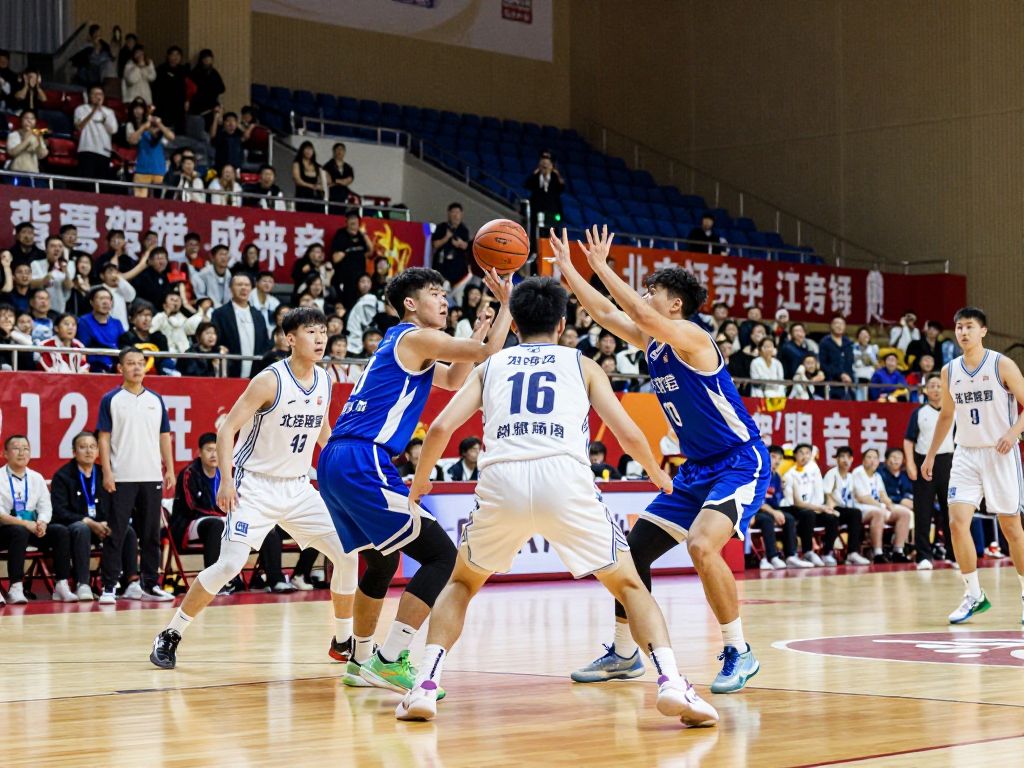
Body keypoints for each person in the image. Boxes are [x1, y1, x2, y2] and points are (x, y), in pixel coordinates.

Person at [395, 276, 716, 726]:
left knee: (461, 583)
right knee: (629, 586)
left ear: (516, 325)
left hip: (501, 479)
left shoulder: (492, 366)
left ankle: (426, 685)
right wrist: (659, 474)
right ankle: (671, 681)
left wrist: (421, 482)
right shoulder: (582, 364)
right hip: (564, 478)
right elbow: (626, 432)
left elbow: (444, 429)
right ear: (563, 325)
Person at [550, 226, 768, 694]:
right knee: (630, 553)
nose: (645, 296)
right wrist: (571, 272)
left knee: (702, 546)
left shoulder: (692, 337)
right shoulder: (654, 341)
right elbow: (607, 312)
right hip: (696, 469)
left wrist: (604, 266)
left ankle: (739, 650)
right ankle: (625, 652)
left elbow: (632, 310)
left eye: (654, 291)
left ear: (675, 304)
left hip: (738, 461)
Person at [317, 266, 512, 694]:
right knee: (442, 557)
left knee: (383, 560)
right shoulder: (414, 335)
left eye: (445, 293)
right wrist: (505, 305)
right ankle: (390, 659)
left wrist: (475, 334)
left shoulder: (406, 345)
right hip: (363, 457)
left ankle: (361, 659)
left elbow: (453, 377)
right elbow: (485, 356)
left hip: (337, 459)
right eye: (435, 292)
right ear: (410, 303)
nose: (444, 300)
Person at [149, 308, 359, 669]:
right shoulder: (269, 380)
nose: (321, 338)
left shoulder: (325, 380)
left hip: (297, 487)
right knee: (230, 564)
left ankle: (342, 639)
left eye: (323, 331)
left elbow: (322, 429)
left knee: (347, 553)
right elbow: (226, 429)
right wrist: (227, 480)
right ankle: (171, 633)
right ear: (290, 339)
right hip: (255, 487)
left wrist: (339, 464)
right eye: (312, 331)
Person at [921, 307, 1024, 623]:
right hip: (965, 453)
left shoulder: (1001, 364)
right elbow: (947, 416)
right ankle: (974, 594)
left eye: (969, 327)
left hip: (1000, 453)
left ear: (983, 331)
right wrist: (930, 454)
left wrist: (1013, 432)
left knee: (1011, 529)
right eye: (959, 327)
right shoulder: (949, 371)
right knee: (956, 523)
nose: (962, 332)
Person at [95, 348, 176, 604]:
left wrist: (170, 469)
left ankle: (150, 584)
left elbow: (165, 437)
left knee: (151, 534)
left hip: (151, 476)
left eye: (140, 363)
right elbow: (104, 439)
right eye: (130, 363)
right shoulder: (111, 399)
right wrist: (107, 471)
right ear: (120, 368)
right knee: (116, 533)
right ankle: (109, 586)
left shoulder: (156, 399)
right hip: (121, 477)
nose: (136, 368)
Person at [50, 430, 139, 602]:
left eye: (92, 447)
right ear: (74, 452)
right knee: (81, 529)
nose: (89, 451)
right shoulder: (63, 476)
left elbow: (117, 505)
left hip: (103, 525)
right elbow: (59, 511)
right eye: (83, 447)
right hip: (76, 525)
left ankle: (131, 583)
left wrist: (108, 521)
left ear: (99, 451)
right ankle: (82, 584)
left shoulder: (105, 474)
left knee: (126, 530)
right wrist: (89, 522)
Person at [0, 435, 76, 605]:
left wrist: (42, 522)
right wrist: (26, 524)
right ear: (5, 453)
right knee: (18, 532)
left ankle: (62, 585)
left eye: (25, 448)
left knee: (60, 532)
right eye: (16, 448)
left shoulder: (36, 477)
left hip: (32, 528)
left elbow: (45, 506)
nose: (22, 452)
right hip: (5, 530)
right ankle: (16, 587)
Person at [905, 373, 954, 571]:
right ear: (925, 390)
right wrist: (910, 464)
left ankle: (954, 555)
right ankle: (924, 556)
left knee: (951, 511)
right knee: (923, 511)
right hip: (924, 462)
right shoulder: (919, 413)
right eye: (931, 386)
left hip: (948, 462)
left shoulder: (954, 411)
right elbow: (909, 440)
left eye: (938, 385)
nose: (935, 389)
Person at [852, 448, 912, 564]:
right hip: (862, 509)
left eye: (875, 458)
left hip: (879, 508)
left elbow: (883, 495)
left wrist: (890, 506)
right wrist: (882, 506)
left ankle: (898, 551)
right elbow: (862, 498)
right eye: (869, 457)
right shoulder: (858, 472)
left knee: (904, 513)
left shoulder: (877, 476)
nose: (872, 461)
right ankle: (878, 553)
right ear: (863, 460)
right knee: (879, 513)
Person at [753, 445, 802, 570]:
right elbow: (757, 501)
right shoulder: (757, 474)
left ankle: (791, 555)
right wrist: (774, 513)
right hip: (755, 511)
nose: (777, 461)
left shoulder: (777, 477)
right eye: (773, 457)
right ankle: (772, 557)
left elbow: (778, 500)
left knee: (790, 518)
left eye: (780, 458)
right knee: (766, 520)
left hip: (772, 509)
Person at [211, 274, 271, 377]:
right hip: (229, 372)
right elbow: (216, 342)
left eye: (247, 285)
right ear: (230, 288)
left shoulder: (258, 315)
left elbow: (265, 344)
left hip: (255, 375)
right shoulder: (220, 314)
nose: (243, 288)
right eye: (239, 284)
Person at [821, 446, 870, 565]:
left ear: (852, 459)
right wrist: (831, 510)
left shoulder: (850, 477)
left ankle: (852, 553)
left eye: (848, 457)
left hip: (844, 509)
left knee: (856, 513)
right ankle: (827, 553)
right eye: (841, 456)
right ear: (836, 459)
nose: (845, 460)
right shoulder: (831, 474)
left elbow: (855, 495)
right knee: (836, 518)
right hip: (831, 508)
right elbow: (827, 494)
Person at [330, 210, 375, 310]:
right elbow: (335, 258)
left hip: (359, 278)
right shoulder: (340, 234)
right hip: (344, 278)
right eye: (350, 219)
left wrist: (364, 235)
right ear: (346, 222)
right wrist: (345, 253)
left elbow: (371, 252)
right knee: (347, 305)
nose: (353, 221)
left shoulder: (361, 236)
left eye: (355, 219)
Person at [127, 104, 174, 197]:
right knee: (139, 203)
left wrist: (160, 124)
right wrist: (144, 126)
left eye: (155, 127)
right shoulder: (143, 133)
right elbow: (131, 140)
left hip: (159, 173)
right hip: (142, 172)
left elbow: (171, 137)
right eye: (152, 127)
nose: (154, 129)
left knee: (157, 204)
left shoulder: (161, 136)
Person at [73, 86, 118, 181]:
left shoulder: (109, 112)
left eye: (100, 94)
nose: (97, 97)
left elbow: (113, 130)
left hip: (104, 152)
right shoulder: (81, 109)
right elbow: (79, 126)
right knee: (86, 183)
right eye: (94, 94)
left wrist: (103, 117)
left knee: (101, 184)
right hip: (86, 149)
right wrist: (93, 111)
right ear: (89, 96)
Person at [76, 286, 125, 372]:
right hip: (93, 368)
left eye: (108, 299)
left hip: (116, 367)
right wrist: (112, 348)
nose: (105, 302)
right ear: (92, 302)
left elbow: (122, 345)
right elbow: (85, 347)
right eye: (101, 298)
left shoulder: (117, 323)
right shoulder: (83, 321)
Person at [431, 203, 471, 295]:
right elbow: (435, 244)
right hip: (442, 266)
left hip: (458, 269)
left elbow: (466, 246)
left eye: (458, 212)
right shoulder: (441, 227)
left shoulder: (464, 229)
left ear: (462, 214)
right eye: (453, 212)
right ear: (448, 213)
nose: (455, 215)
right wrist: (446, 237)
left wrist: (460, 244)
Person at [523, 151, 564, 240]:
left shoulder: (555, 177)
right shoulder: (536, 176)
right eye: (543, 163)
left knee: (552, 232)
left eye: (547, 163)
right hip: (537, 210)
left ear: (552, 165)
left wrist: (556, 174)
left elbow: (561, 188)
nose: (545, 165)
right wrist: (536, 173)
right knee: (535, 232)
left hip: (552, 211)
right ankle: (534, 251)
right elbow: (527, 185)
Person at [818, 314, 855, 400]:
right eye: (836, 323)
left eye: (842, 324)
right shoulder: (825, 342)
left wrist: (849, 377)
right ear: (831, 326)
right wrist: (840, 374)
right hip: (830, 384)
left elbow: (850, 363)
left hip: (847, 385)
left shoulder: (848, 343)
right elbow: (823, 364)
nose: (839, 326)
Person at [152, 46, 189, 133]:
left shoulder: (183, 70)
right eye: (173, 54)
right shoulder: (161, 69)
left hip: (179, 105)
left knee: (180, 129)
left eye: (178, 55)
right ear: (168, 56)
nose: (175, 57)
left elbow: (188, 88)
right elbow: (156, 89)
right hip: (164, 105)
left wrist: (187, 100)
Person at [6, 109, 49, 181]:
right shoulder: (14, 135)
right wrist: (28, 139)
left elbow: (42, 155)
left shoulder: (37, 136)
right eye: (26, 118)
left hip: (34, 174)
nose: (29, 121)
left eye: (32, 118)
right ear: (21, 120)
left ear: (35, 121)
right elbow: (12, 152)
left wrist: (38, 140)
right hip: (16, 172)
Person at [188, 49, 225, 131]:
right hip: (199, 108)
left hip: (212, 106)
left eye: (209, 59)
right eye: (205, 59)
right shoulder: (195, 73)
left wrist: (213, 89)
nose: (207, 61)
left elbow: (222, 88)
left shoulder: (214, 72)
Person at [292, 141, 324, 213]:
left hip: (316, 197)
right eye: (306, 149)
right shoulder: (297, 164)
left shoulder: (318, 166)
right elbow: (297, 180)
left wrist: (319, 186)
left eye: (310, 149)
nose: (308, 151)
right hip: (302, 195)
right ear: (302, 150)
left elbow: (321, 183)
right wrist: (311, 186)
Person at [323, 142, 355, 209]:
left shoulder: (348, 167)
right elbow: (327, 181)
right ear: (334, 151)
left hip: (344, 196)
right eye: (338, 149)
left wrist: (335, 181)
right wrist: (341, 181)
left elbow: (348, 180)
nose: (340, 151)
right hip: (331, 196)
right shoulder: (328, 166)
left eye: (342, 149)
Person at [852, 326, 879, 400]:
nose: (864, 336)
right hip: (856, 376)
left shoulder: (873, 348)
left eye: (866, 334)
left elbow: (877, 365)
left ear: (869, 337)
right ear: (858, 337)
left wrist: (868, 358)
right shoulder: (853, 347)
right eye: (862, 334)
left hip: (869, 377)